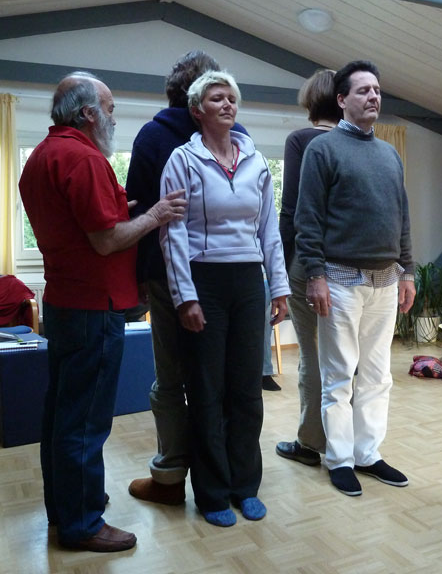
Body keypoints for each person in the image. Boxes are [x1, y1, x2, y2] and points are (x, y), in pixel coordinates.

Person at [19, 71, 186, 552]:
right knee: (87, 421)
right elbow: (107, 241)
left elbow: (81, 224)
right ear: (88, 113)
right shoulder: (85, 159)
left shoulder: (44, 154)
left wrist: (117, 208)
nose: (114, 118)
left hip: (65, 302)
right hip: (93, 307)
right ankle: (83, 524)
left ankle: (66, 507)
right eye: (109, 109)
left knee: (62, 415)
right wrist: (153, 215)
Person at [160, 71, 289, 526]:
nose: (227, 104)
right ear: (198, 110)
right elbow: (172, 233)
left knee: (246, 389)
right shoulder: (182, 159)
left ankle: (245, 486)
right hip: (204, 282)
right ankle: (213, 493)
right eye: (217, 98)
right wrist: (185, 297)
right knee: (206, 390)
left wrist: (279, 286)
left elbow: (269, 230)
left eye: (232, 97)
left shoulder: (255, 161)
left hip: (249, 281)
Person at [124, 51, 249, 505]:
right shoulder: (239, 136)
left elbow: (137, 210)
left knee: (173, 378)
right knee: (223, 379)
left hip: (167, 276)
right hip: (230, 276)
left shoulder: (153, 136)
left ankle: (171, 477)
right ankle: (225, 474)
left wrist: (141, 277)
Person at [294, 60, 416, 497]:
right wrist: (315, 275)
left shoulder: (389, 154)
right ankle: (340, 459)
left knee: (378, 375)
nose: (374, 97)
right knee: (339, 376)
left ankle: (367, 453)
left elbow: (402, 219)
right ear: (342, 99)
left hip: (386, 281)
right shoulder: (322, 150)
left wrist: (408, 271)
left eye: (377, 90)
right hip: (339, 280)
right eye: (363, 90)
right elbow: (307, 220)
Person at [274, 69, 341, 465]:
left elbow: (292, 210)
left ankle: (311, 442)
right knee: (344, 356)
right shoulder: (355, 141)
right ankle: (343, 439)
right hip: (346, 266)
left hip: (307, 263)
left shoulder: (301, 140)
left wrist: (281, 268)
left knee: (311, 355)